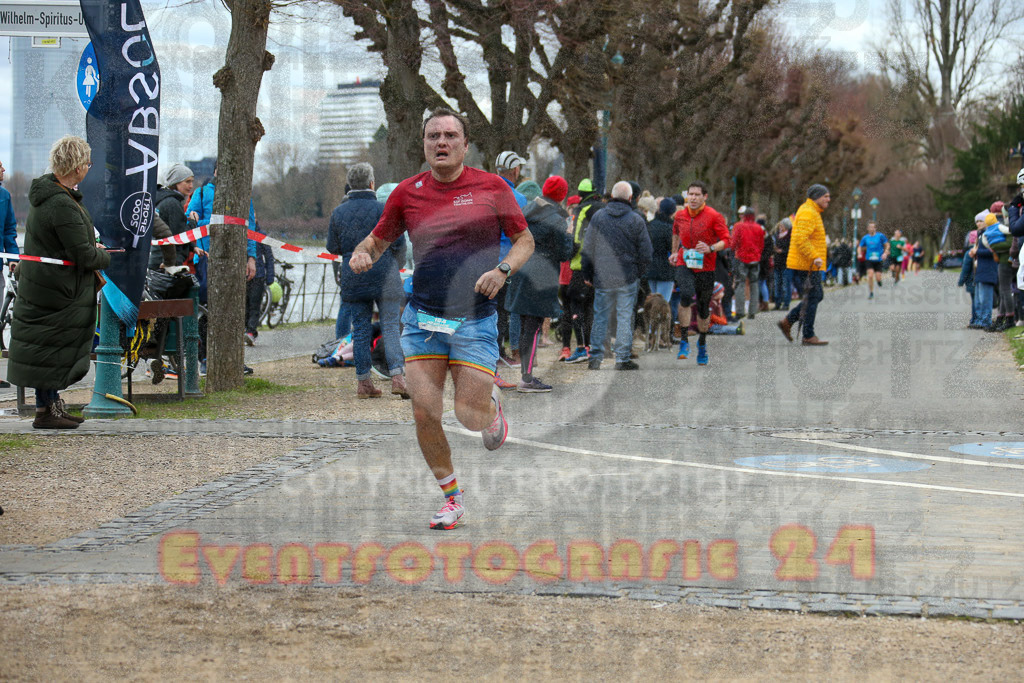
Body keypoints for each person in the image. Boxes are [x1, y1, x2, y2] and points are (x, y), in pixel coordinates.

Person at [349, 108, 534, 531]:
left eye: (450, 135)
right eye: (434, 136)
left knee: (468, 414)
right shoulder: (407, 193)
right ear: (425, 144)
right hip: (423, 319)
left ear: (465, 145)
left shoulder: (491, 187)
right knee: (424, 411)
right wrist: (363, 253)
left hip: (474, 318)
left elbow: (525, 239)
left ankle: (490, 408)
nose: (442, 143)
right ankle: (452, 499)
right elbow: (378, 240)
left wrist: (502, 270)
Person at [7, 135, 110, 429]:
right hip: (58, 291)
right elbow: (84, 256)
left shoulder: (48, 197)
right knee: (51, 347)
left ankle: (49, 406)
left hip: (47, 287)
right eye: (87, 163)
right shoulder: (61, 204)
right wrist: (103, 256)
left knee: (47, 347)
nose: (88, 168)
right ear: (77, 167)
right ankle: (47, 409)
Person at [331, 162, 409, 398]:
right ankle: (397, 377)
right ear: (372, 183)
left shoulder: (338, 212)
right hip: (385, 275)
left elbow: (332, 247)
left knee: (361, 330)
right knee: (391, 327)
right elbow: (398, 244)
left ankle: (364, 384)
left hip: (354, 276)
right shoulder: (383, 209)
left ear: (350, 185)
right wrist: (398, 265)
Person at [505, 175, 572, 391]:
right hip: (542, 278)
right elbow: (564, 253)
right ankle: (527, 378)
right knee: (532, 328)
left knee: (526, 325)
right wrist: (569, 235)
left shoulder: (526, 211)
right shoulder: (557, 220)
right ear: (562, 195)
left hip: (520, 270)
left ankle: (526, 374)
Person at [582, 181, 652, 371]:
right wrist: (638, 272)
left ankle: (595, 357)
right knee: (624, 316)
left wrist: (587, 272)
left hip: (603, 276)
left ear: (611, 196)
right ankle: (622, 358)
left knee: (600, 316)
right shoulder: (636, 219)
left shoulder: (598, 217)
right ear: (631, 198)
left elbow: (588, 248)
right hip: (627, 276)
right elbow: (646, 252)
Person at [669, 180, 729, 365]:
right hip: (684, 259)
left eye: (697, 195)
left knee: (703, 307)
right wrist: (674, 252)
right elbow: (676, 233)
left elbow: (726, 240)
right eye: (690, 194)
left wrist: (710, 248)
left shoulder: (714, 216)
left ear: (705, 197)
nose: (693, 198)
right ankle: (684, 341)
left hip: (706, 265)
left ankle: (702, 343)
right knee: (686, 294)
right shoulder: (679, 215)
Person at [778, 184, 830, 345]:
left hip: (808, 264)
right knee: (814, 296)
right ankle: (807, 334)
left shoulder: (812, 211)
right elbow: (801, 239)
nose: (829, 199)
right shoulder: (808, 212)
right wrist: (815, 256)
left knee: (815, 295)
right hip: (806, 264)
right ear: (816, 197)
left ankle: (789, 321)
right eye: (825, 196)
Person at [561, 179, 602, 364]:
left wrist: (568, 255)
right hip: (601, 267)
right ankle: (591, 347)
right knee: (591, 308)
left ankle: (580, 348)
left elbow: (577, 239)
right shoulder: (603, 209)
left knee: (575, 305)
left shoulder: (581, 210)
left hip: (581, 266)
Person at [0, 158, 19, 389]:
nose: (4, 169)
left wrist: (13, 257)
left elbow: (9, 229)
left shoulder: (4, 196)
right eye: (0, 165)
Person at [730, 206, 764, 320]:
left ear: (744, 216)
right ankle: (752, 311)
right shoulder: (759, 227)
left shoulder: (739, 226)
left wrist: (732, 251)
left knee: (740, 283)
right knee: (754, 284)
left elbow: (733, 242)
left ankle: (740, 311)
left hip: (742, 258)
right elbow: (761, 244)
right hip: (755, 258)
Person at [244, 221, 274, 346]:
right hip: (244, 276)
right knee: (244, 305)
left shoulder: (261, 235)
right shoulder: (241, 233)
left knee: (254, 305)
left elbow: (269, 256)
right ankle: (246, 330)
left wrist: (270, 277)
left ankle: (251, 331)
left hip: (259, 275)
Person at [646, 197, 677, 318]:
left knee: (654, 300)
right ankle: (658, 333)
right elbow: (673, 248)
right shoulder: (670, 228)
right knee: (663, 303)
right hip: (666, 269)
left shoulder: (650, 225)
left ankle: (651, 331)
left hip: (650, 267)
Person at [858, 221, 887, 299]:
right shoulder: (865, 238)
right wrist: (859, 253)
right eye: (870, 227)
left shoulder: (880, 236)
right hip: (869, 259)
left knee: (877, 277)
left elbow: (887, 245)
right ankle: (871, 292)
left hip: (878, 259)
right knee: (870, 275)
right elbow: (860, 247)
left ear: (875, 228)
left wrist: (885, 253)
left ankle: (879, 281)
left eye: (873, 227)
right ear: (868, 228)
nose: (871, 228)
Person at [773, 217, 792, 310]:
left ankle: (786, 303)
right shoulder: (777, 235)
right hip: (777, 262)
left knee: (785, 284)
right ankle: (777, 302)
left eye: (782, 225)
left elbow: (791, 249)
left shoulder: (790, 236)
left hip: (786, 262)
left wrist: (783, 251)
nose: (780, 227)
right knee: (777, 284)